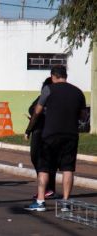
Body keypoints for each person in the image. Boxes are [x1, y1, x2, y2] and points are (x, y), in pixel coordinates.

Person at [24, 65, 86, 212]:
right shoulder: (78, 92)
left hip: (50, 135)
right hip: (71, 135)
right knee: (68, 169)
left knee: (44, 168)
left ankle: (40, 202)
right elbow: (83, 117)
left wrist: (28, 129)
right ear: (66, 76)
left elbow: (37, 112)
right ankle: (65, 203)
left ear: (53, 76)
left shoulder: (49, 89)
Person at [27, 77, 56, 199]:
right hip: (38, 129)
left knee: (45, 160)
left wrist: (28, 129)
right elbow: (33, 110)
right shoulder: (41, 98)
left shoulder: (55, 100)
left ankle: (47, 188)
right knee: (36, 158)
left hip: (46, 131)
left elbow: (37, 112)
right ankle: (45, 187)